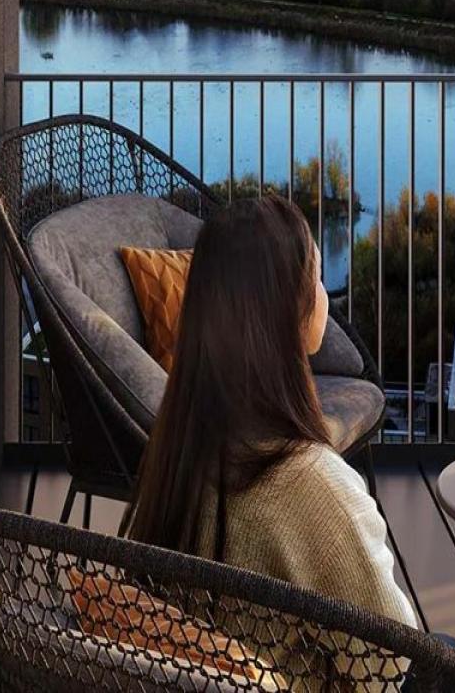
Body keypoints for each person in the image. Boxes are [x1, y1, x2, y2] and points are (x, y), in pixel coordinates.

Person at [128, 195, 416, 634]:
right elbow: (395, 657)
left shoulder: (174, 457)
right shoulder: (317, 487)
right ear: (290, 311)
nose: (322, 295)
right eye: (316, 280)